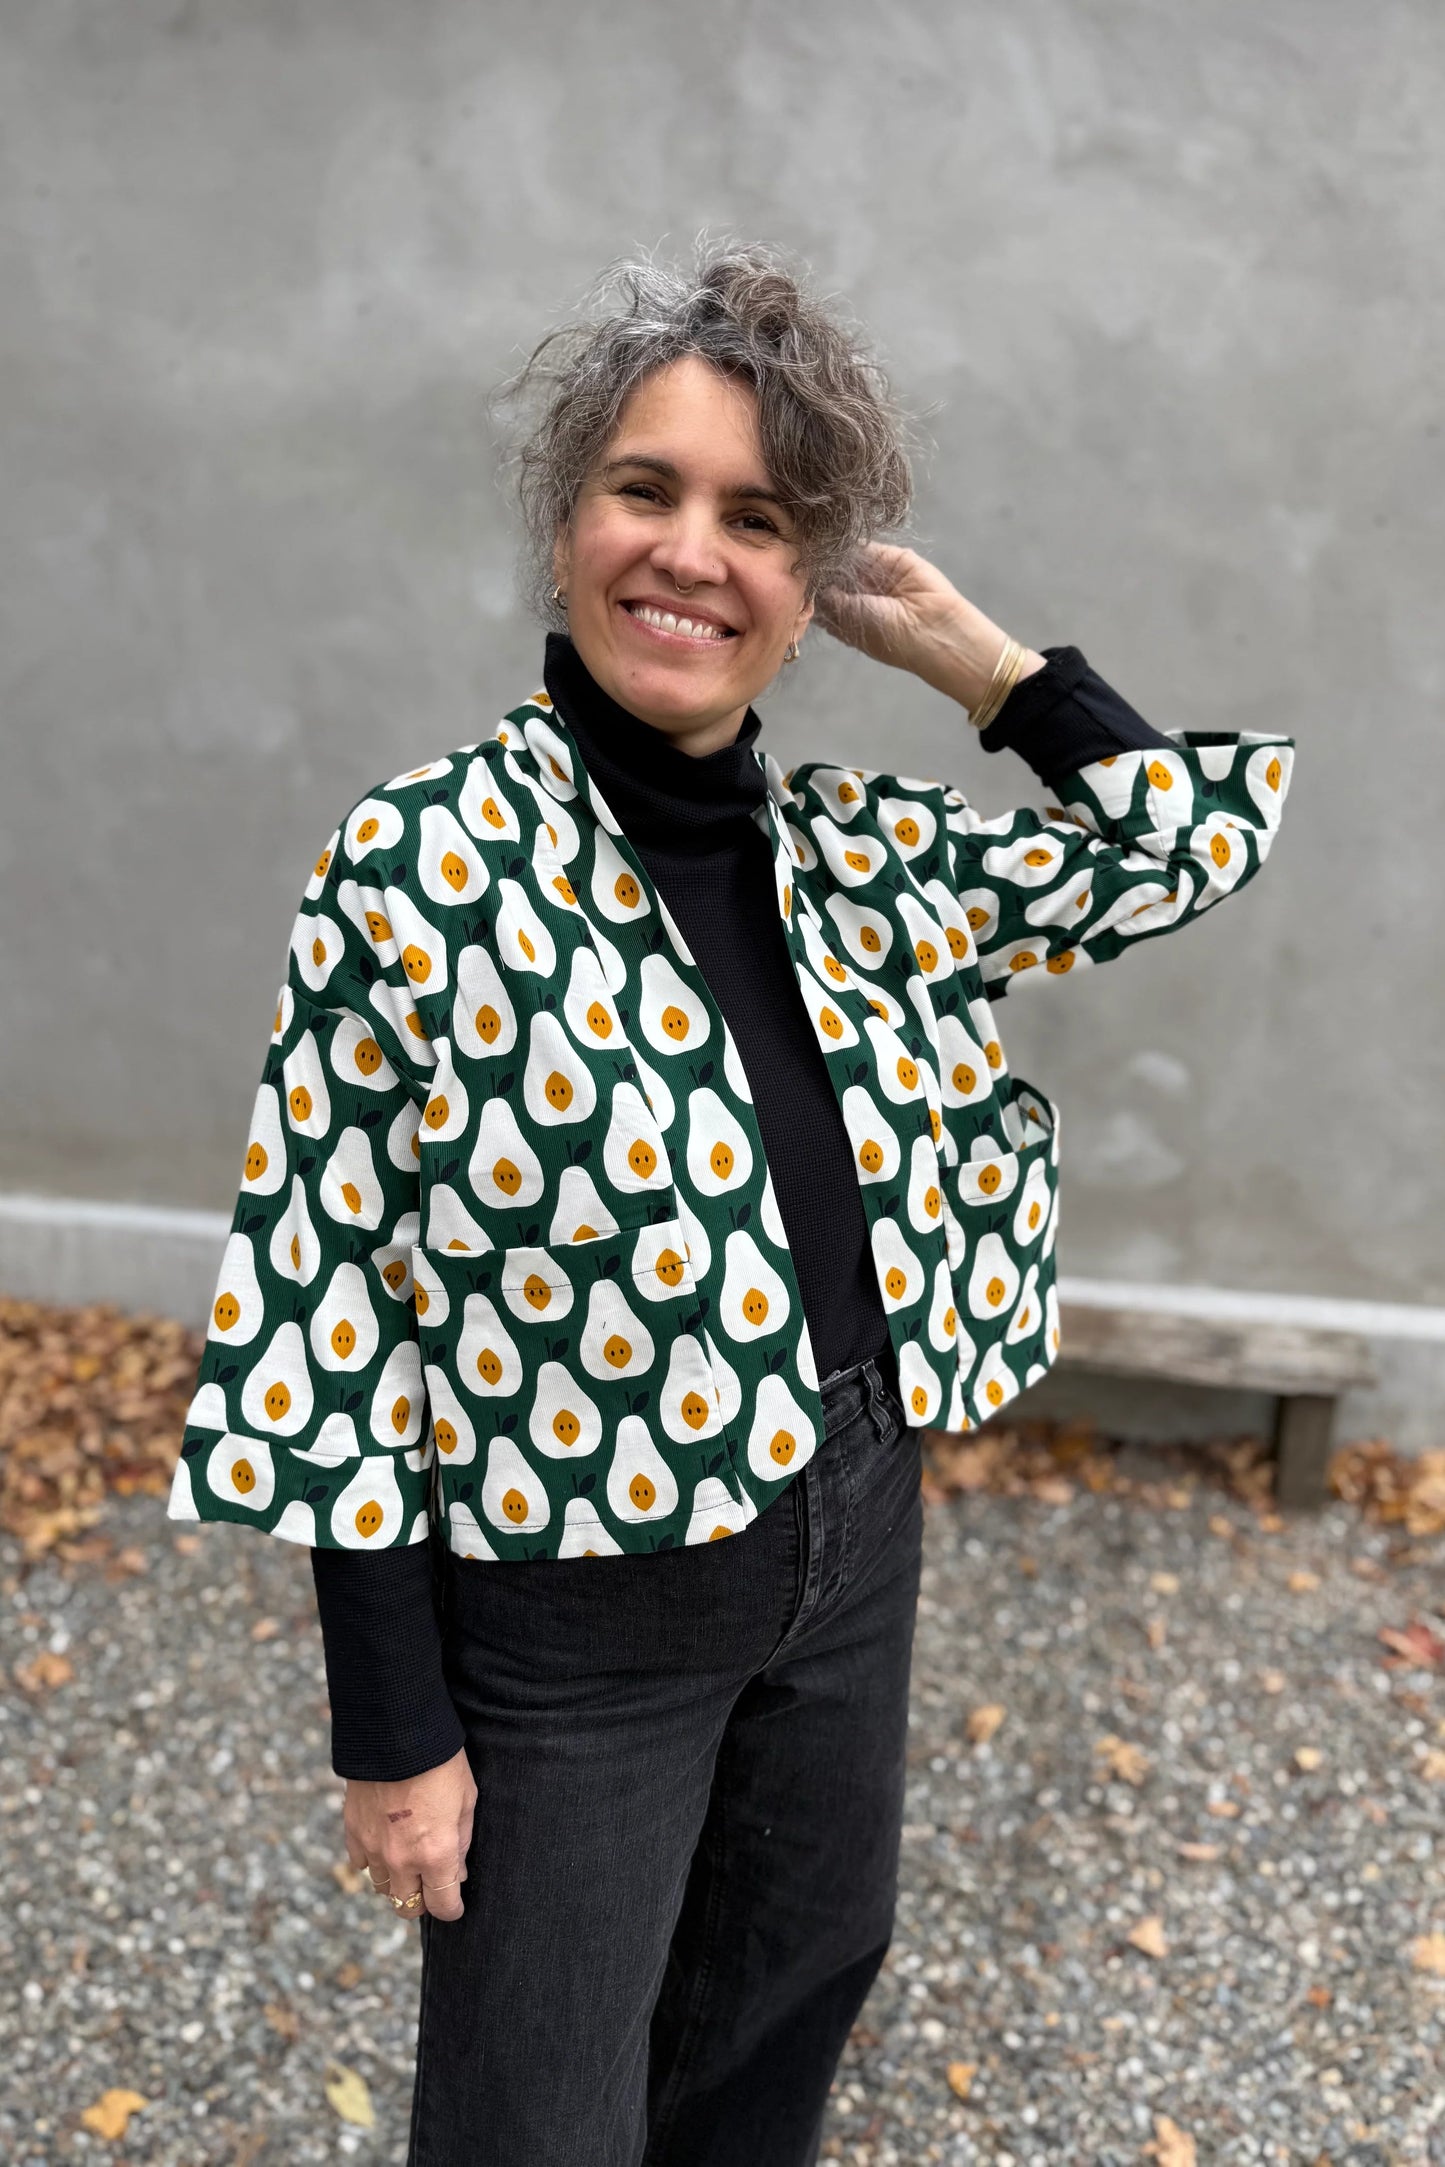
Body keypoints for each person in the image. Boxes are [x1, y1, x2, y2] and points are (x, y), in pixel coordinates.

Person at [165, 242, 1294, 2166]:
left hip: (849, 1525)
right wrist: (393, 1728)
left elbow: (1178, 843)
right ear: (563, 524)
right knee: (541, 2107)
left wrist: (987, 670)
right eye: (647, 489)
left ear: (804, 594)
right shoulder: (423, 869)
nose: (693, 552)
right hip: (569, 1602)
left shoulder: (860, 861)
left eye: (757, 520)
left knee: (783, 2008)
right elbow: (325, 1310)